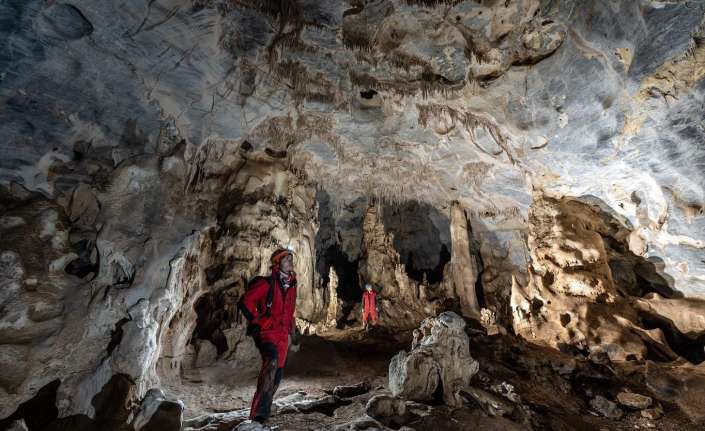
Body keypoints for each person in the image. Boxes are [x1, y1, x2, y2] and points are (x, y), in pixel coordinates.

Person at [238, 248, 297, 423]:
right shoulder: (266, 284)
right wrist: (257, 321)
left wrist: (293, 333)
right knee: (270, 364)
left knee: (277, 375)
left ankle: (264, 411)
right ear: (277, 264)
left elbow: (290, 312)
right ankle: (257, 415)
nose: (290, 262)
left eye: (291, 259)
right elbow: (245, 302)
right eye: (286, 260)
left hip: (282, 335)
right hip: (267, 332)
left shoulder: (293, 284)